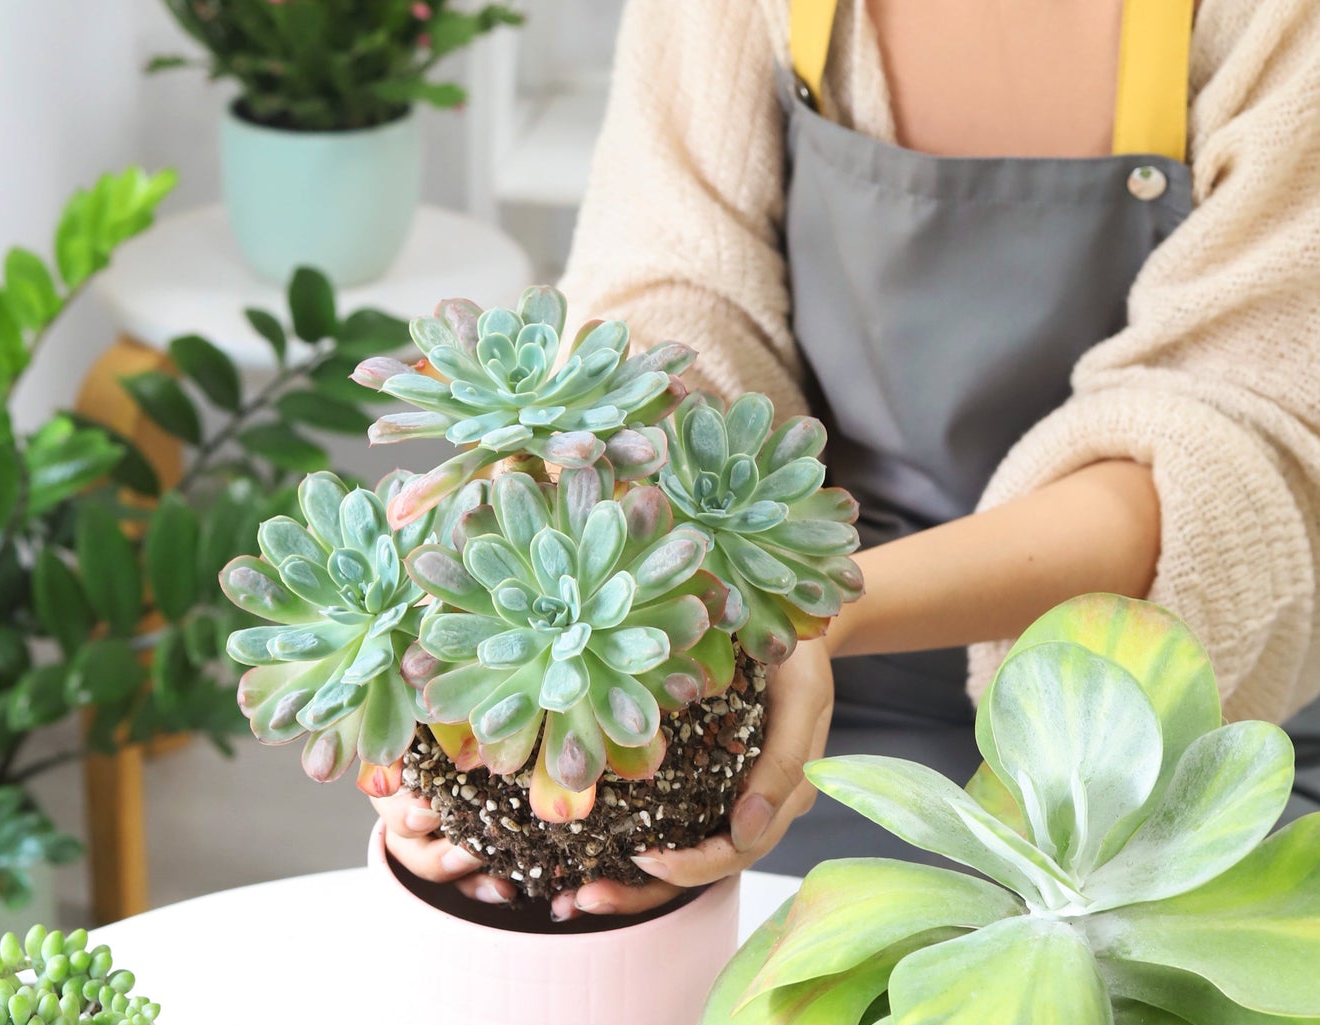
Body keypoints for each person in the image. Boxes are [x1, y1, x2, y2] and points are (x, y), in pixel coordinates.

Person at [375, 0, 1320, 917]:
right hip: (814, 687)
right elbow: (680, 286)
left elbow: (1232, 444)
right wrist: (592, 536)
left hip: (1179, 718)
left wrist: (810, 612)